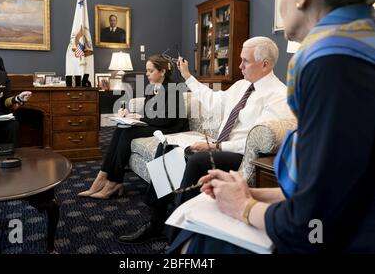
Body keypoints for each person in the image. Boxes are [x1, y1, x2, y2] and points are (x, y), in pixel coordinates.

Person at [169, 0, 375, 253]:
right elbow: (331, 189)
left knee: (196, 245)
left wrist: (243, 207)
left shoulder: (335, 64)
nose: (282, 2)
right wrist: (252, 194)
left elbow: (312, 224)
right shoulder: (362, 49)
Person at [118, 37, 294, 244]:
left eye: (245, 61)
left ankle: (178, 235)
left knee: (196, 160)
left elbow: (255, 140)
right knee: (167, 147)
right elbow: (212, 101)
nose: (239, 66)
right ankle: (156, 221)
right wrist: (188, 76)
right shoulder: (241, 86)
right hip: (220, 146)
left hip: (240, 155)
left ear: (264, 64)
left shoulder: (278, 96)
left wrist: (217, 146)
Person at [78, 54, 189, 199]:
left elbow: (167, 119)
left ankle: (114, 182)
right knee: (122, 128)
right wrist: (129, 114)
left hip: (171, 128)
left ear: (162, 72)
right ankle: (103, 176)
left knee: (128, 133)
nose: (147, 74)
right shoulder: (153, 88)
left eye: (150, 71)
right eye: (146, 70)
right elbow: (149, 112)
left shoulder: (173, 88)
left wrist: (140, 118)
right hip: (159, 124)